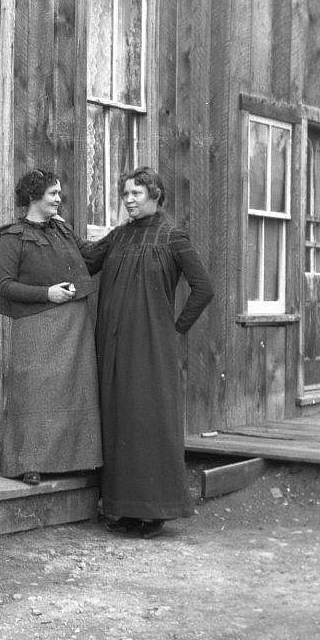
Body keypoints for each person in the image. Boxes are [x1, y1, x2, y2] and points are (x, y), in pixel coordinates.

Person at [84, 167, 214, 539]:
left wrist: (175, 329)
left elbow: (203, 288)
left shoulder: (174, 237)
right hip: (113, 344)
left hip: (153, 347)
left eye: (136, 193)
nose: (128, 199)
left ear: (155, 195)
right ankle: (122, 509)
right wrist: (54, 227)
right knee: (119, 419)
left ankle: (154, 512)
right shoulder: (119, 237)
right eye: (124, 193)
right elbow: (87, 260)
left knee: (148, 422)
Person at [0, 169, 102, 485]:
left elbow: (90, 260)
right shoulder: (13, 237)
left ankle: (76, 461)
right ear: (33, 196)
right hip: (34, 324)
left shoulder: (63, 230)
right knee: (33, 393)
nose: (58, 199)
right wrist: (47, 294)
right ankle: (29, 462)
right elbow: (6, 286)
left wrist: (120, 237)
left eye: (58, 193)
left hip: (74, 322)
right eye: (53, 193)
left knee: (73, 390)